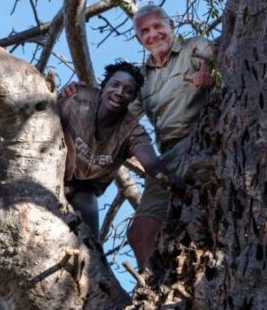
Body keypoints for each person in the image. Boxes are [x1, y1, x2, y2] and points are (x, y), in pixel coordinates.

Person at [127, 3, 215, 268]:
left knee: (202, 221)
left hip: (202, 138)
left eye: (157, 26)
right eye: (145, 31)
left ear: (171, 26)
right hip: (166, 159)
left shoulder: (193, 47)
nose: (153, 34)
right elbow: (122, 116)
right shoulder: (141, 79)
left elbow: (215, 60)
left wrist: (207, 72)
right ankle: (152, 295)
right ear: (139, 38)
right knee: (139, 233)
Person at [57, 61, 183, 238]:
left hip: (84, 190)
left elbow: (151, 163)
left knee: (89, 243)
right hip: (51, 174)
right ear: (104, 86)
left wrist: (170, 179)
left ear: (132, 98)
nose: (119, 92)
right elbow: (41, 113)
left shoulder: (131, 130)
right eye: (115, 85)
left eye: (128, 90)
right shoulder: (77, 98)